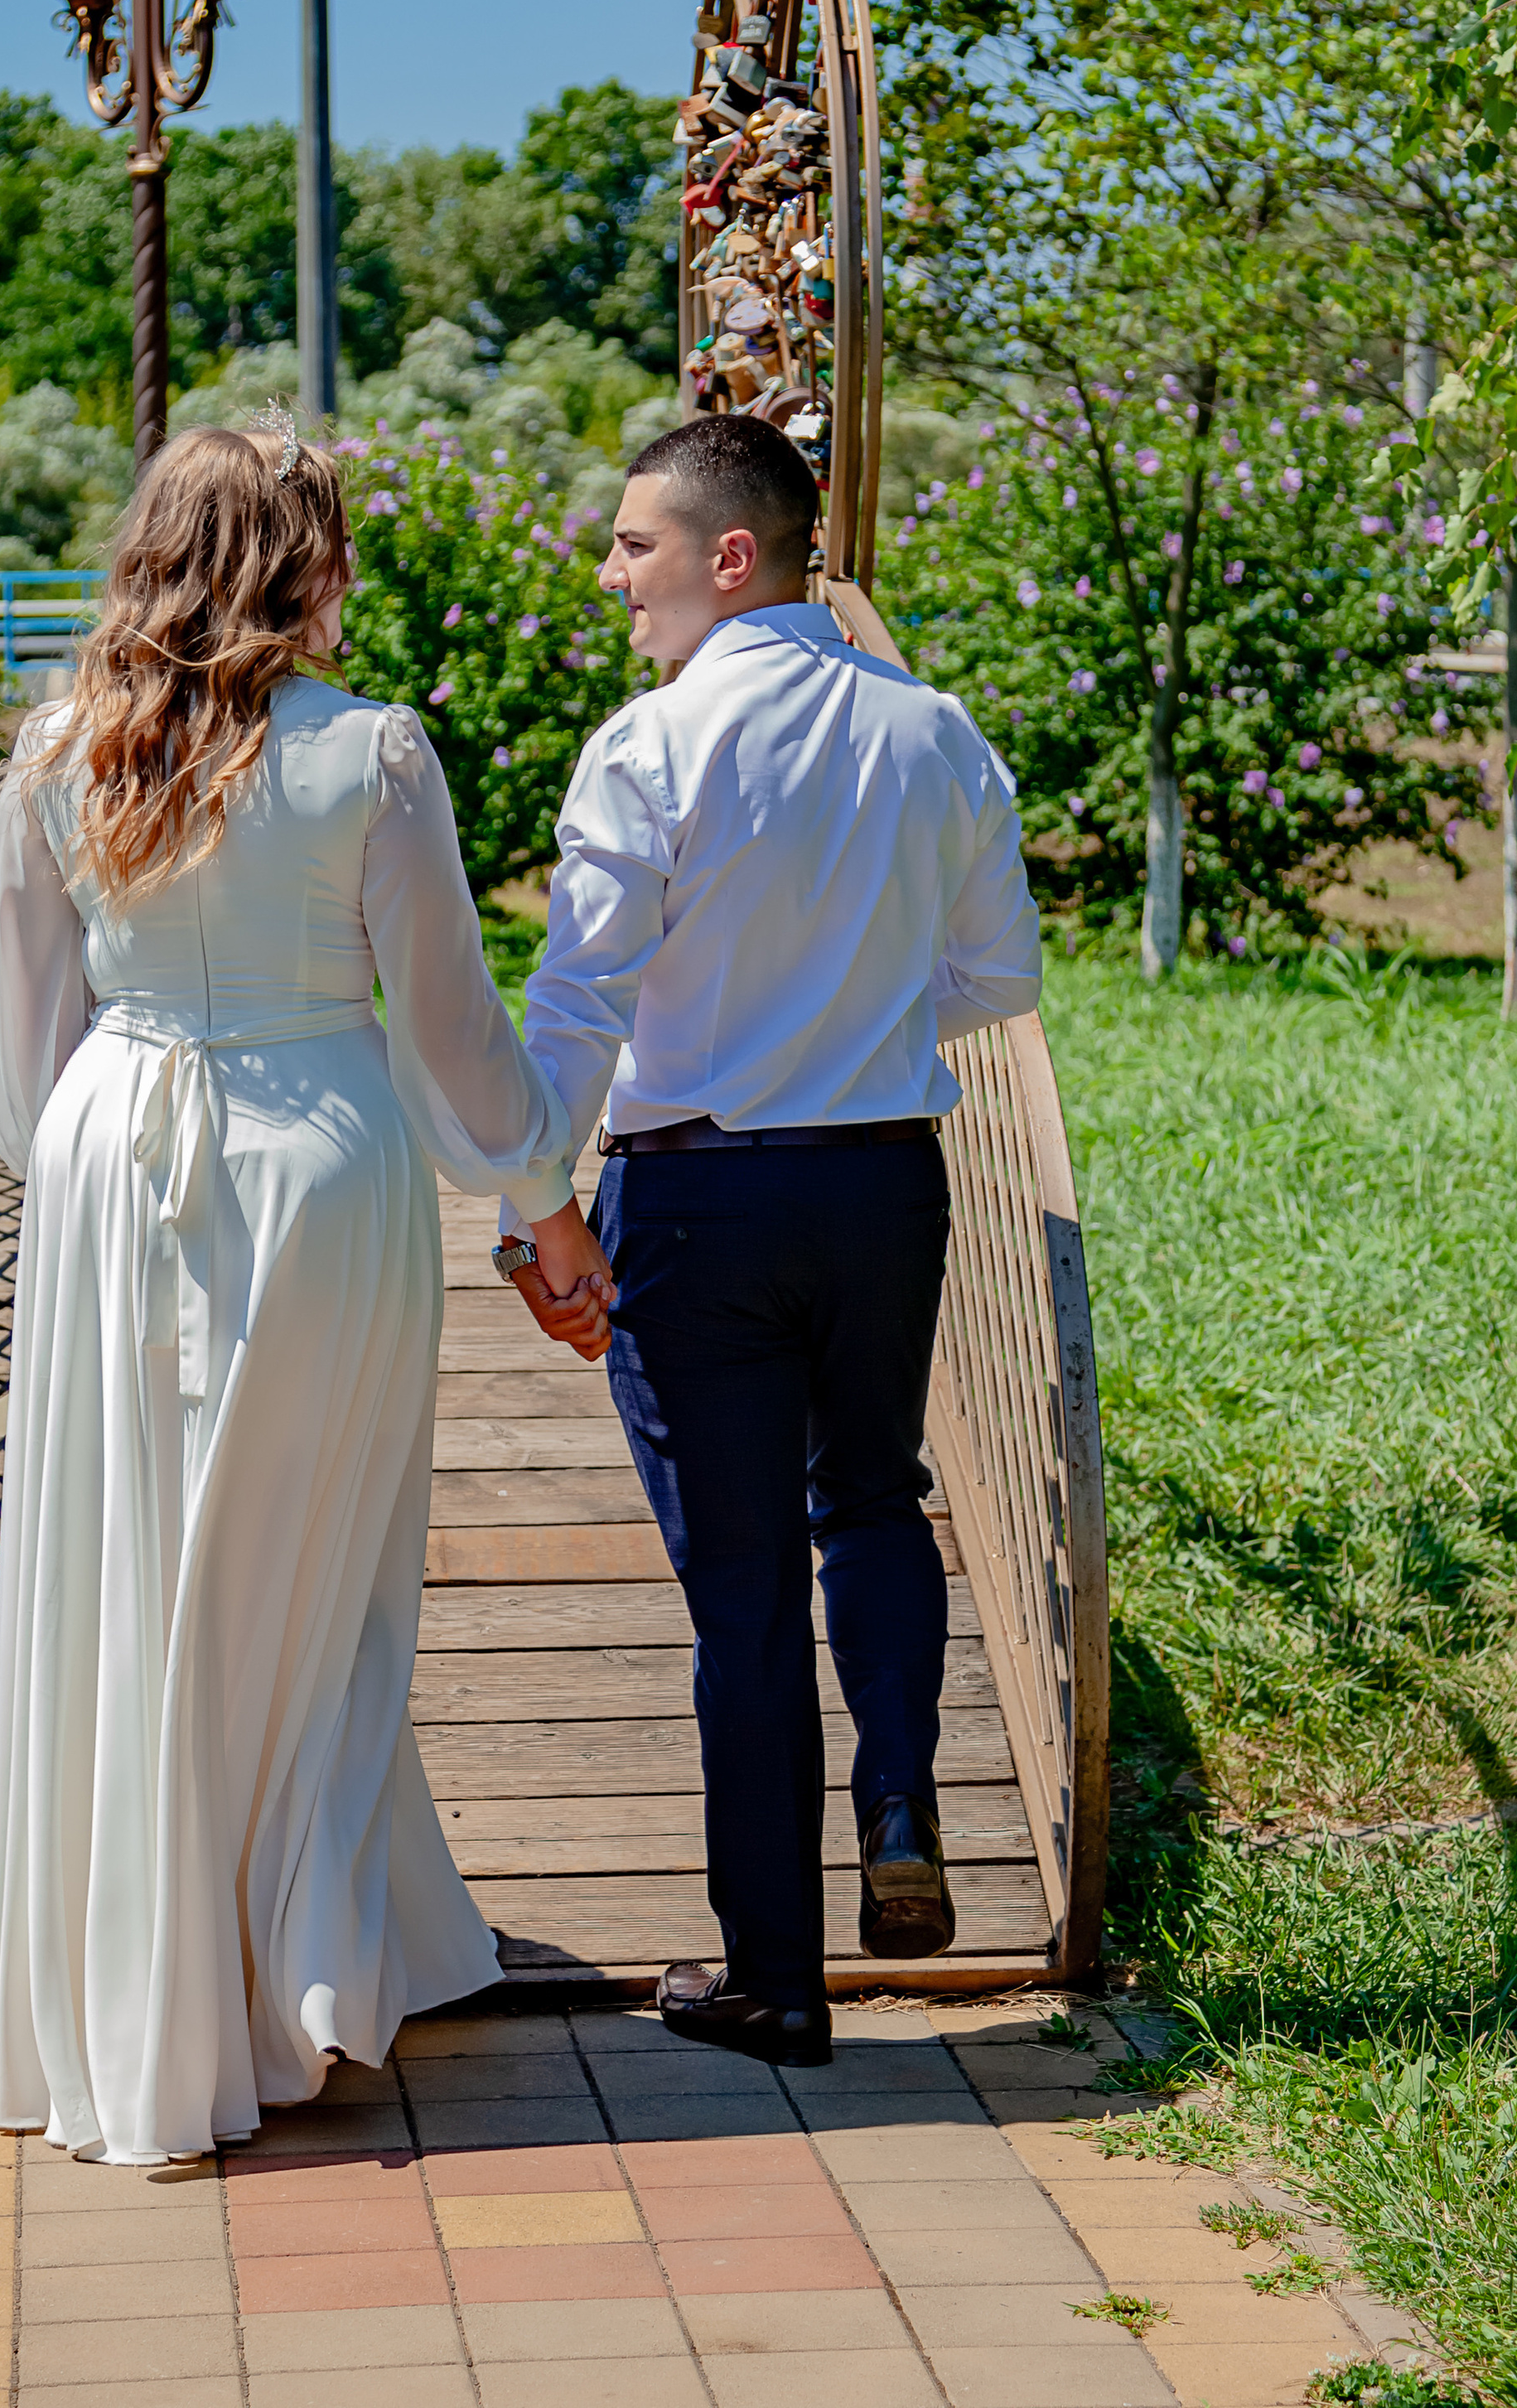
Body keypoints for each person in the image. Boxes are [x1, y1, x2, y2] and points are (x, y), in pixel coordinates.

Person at [0, 421, 611, 2164]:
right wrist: (544, 1196)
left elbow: (20, 1055)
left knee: (133, 1561)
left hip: (120, 1155)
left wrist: (88, 1173)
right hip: (315, 1161)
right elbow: (453, 1031)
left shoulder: (56, 750)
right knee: (308, 1573)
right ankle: (290, 1970)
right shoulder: (370, 756)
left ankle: (152, 1991)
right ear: (297, 562)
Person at [499, 413, 1042, 2067]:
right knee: (872, 1499)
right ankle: (897, 1801)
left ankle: (773, 1980)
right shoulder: (932, 731)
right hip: (880, 1184)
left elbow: (578, 1000)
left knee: (738, 1594)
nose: (611, 579)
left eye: (631, 545)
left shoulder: (650, 746)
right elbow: (995, 981)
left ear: (728, 556)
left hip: (700, 1200)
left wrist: (541, 1212)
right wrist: (852, 1024)